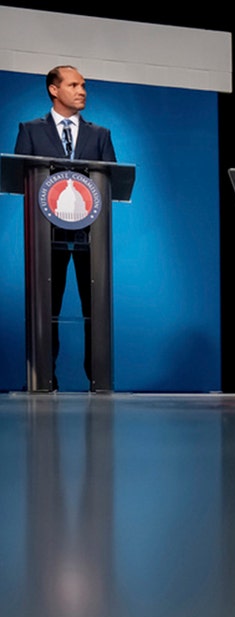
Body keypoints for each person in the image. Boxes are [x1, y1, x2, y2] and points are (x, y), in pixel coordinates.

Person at [14, 65, 117, 390]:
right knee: (47, 306)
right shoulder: (31, 130)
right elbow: (21, 178)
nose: (82, 90)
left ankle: (97, 378)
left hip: (91, 236)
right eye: (74, 85)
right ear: (54, 90)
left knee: (95, 308)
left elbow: (112, 181)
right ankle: (45, 378)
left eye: (84, 85)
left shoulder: (100, 134)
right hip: (46, 235)